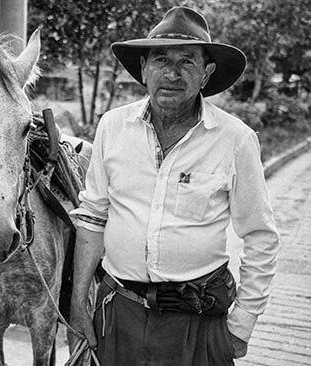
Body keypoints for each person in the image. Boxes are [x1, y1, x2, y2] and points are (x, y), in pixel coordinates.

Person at [68, 6, 279, 365]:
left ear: (206, 74)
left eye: (187, 62)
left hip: (197, 320)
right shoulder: (112, 127)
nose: (172, 73)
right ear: (144, 69)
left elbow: (260, 236)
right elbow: (93, 217)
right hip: (119, 312)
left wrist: (242, 324)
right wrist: (77, 305)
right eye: (161, 59)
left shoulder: (235, 140)